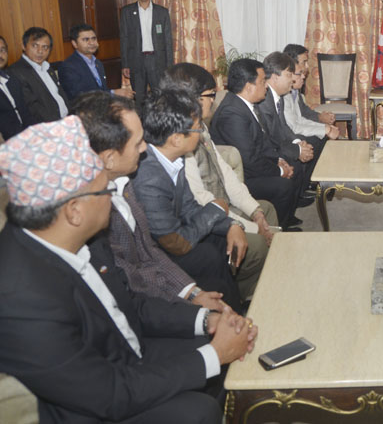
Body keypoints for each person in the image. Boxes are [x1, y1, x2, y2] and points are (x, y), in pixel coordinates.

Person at [0, 116, 257, 423]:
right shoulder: (21, 299)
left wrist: (207, 320)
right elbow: (107, 394)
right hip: (94, 401)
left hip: (125, 350)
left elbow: (130, 305)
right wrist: (214, 355)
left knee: (221, 358)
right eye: (105, 192)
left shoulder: (75, 237)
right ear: (74, 211)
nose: (114, 197)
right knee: (198, 410)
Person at [71, 91, 227, 311]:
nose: (145, 148)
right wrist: (193, 308)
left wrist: (192, 291)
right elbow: (132, 281)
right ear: (109, 159)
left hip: (157, 280)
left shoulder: (123, 183)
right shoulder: (92, 208)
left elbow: (147, 249)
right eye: (137, 143)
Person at [160, 63, 273, 300]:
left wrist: (255, 213)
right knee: (259, 244)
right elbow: (199, 200)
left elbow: (226, 175)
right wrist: (251, 227)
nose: (214, 100)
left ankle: (257, 287)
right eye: (210, 95)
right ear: (188, 99)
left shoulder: (200, 127)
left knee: (267, 210)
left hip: (220, 208)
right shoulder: (179, 139)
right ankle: (237, 298)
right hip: (205, 218)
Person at [133, 87, 246, 311]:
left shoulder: (174, 158)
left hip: (178, 233)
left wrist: (232, 224)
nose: (201, 134)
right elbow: (176, 243)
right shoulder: (148, 177)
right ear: (176, 139)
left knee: (220, 244)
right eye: (196, 130)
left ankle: (233, 307)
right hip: (154, 252)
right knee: (209, 255)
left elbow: (189, 208)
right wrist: (217, 209)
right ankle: (226, 313)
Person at [210, 58, 302, 230]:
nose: (266, 86)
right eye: (262, 82)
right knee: (283, 186)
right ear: (248, 87)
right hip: (242, 177)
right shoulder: (232, 114)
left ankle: (284, 222)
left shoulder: (246, 104)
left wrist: (278, 160)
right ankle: (277, 233)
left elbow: (264, 142)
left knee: (292, 166)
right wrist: (279, 171)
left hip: (253, 166)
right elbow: (248, 159)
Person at [255, 51, 318, 207]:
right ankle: (286, 218)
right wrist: (296, 150)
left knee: (305, 149)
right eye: (289, 75)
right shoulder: (264, 101)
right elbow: (271, 137)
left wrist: (298, 143)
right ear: (276, 77)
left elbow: (283, 127)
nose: (294, 79)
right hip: (268, 149)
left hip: (278, 143)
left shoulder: (279, 96)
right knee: (295, 162)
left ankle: (292, 206)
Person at [120, 0, 174, 106]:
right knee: (139, 99)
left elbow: (168, 40)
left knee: (160, 97)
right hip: (136, 60)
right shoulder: (127, 12)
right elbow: (124, 38)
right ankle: (141, 125)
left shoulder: (162, 12)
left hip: (157, 60)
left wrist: (170, 66)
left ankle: (160, 125)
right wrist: (125, 64)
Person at [5, 26, 68, 124]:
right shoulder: (15, 72)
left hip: (65, 121)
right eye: (35, 46)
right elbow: (32, 108)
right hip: (47, 127)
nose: (40, 51)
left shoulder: (48, 68)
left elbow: (60, 95)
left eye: (45, 47)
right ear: (23, 46)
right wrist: (58, 126)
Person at [58, 23, 135, 102]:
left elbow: (101, 90)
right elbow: (78, 96)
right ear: (74, 43)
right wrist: (113, 93)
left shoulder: (97, 63)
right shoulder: (68, 66)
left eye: (94, 38)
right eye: (86, 39)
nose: (91, 43)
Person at [283, 43, 339, 144]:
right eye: (304, 62)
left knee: (322, 137)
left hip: (298, 128)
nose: (307, 67)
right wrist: (324, 128)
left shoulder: (296, 87)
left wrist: (320, 118)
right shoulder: (284, 92)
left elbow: (303, 112)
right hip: (289, 136)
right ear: (291, 64)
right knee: (317, 139)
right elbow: (295, 125)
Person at [0, 35, 33, 140]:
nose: (0, 55)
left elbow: (25, 109)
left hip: (27, 134)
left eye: (2, 50)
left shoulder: (12, 78)